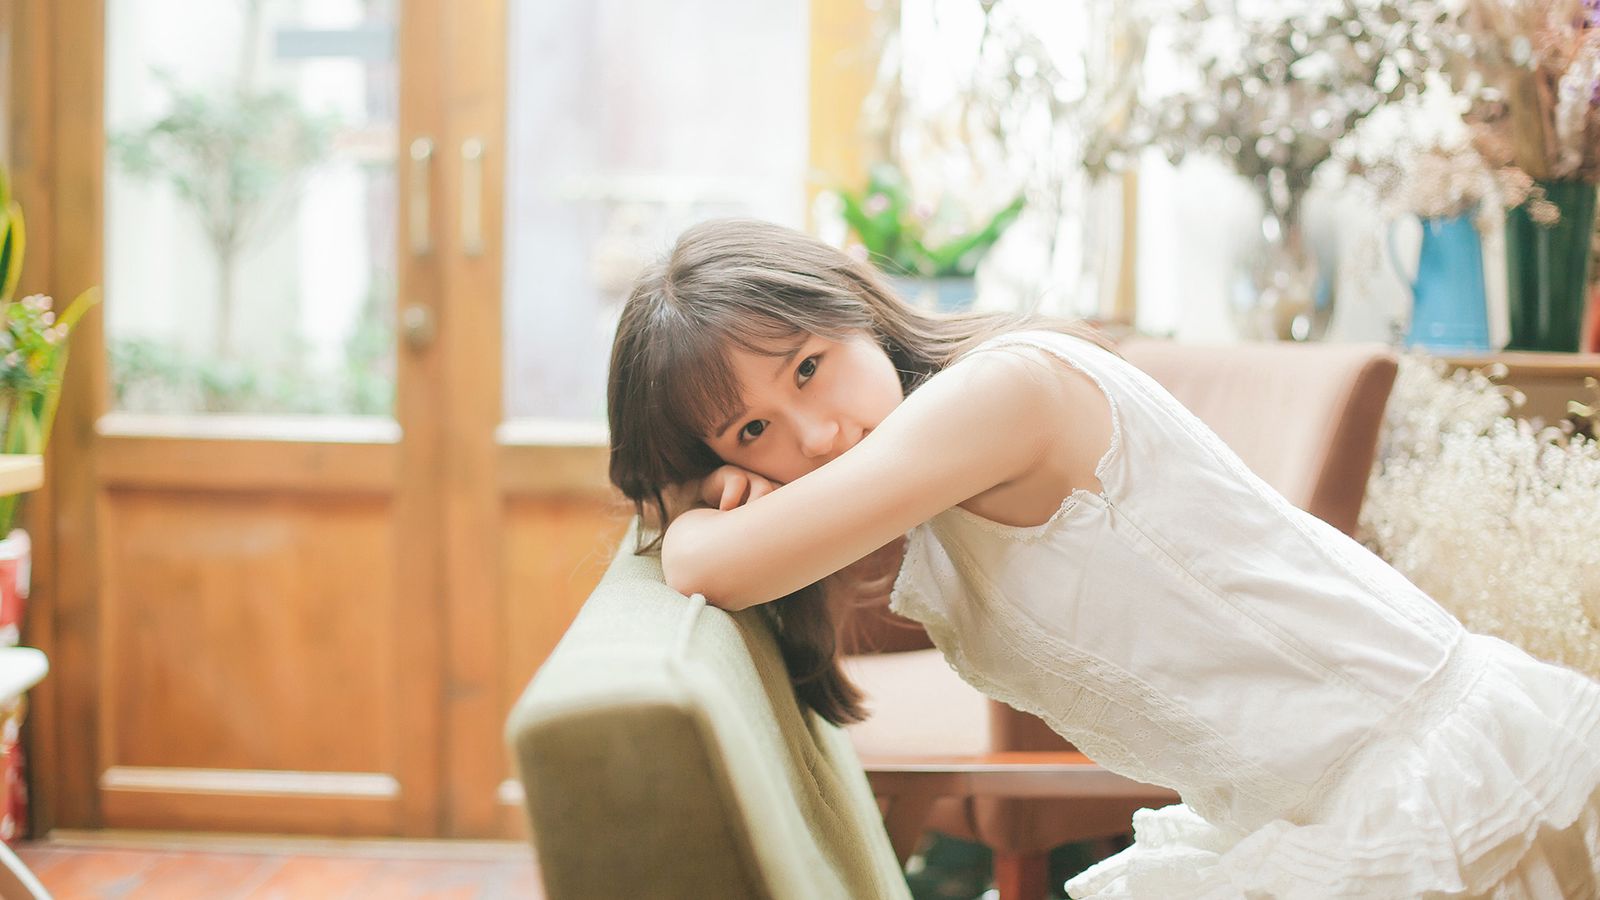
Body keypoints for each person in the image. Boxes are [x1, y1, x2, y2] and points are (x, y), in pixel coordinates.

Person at [604, 218, 1600, 898]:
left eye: (808, 368)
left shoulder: (999, 395)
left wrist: (692, 512)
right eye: (752, 433)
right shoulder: (937, 477)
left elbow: (710, 569)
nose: (815, 435)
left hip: (1425, 787)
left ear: (853, 306)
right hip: (1310, 812)